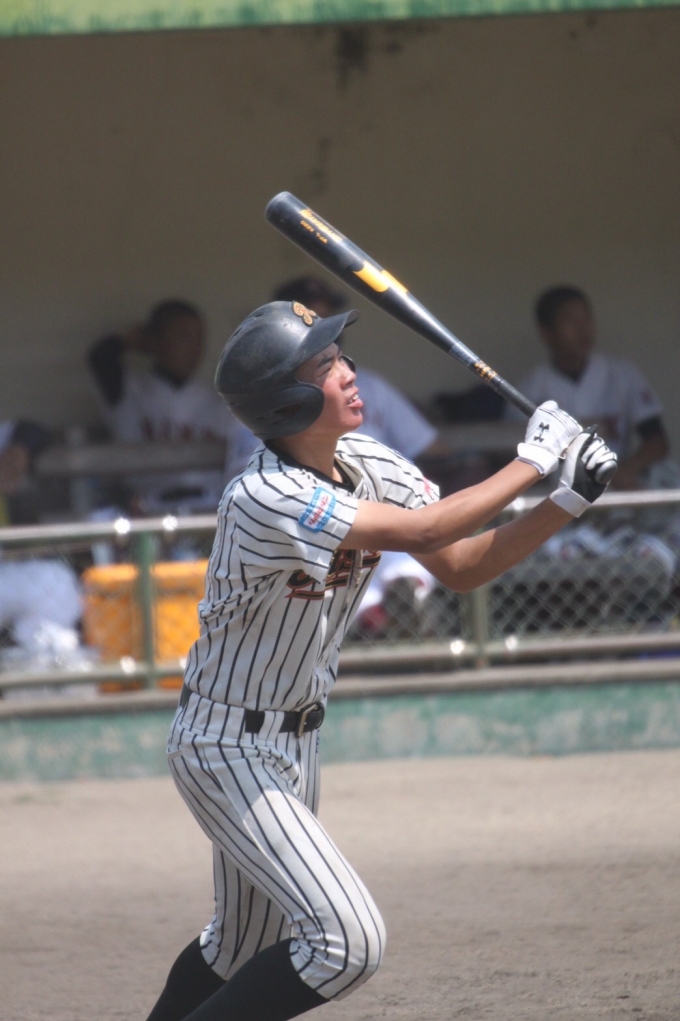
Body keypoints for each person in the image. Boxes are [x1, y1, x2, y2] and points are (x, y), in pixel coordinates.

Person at [144, 299, 616, 1021]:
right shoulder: (263, 494)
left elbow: (457, 563)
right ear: (286, 399)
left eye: (339, 356)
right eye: (323, 365)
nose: (348, 371)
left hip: (296, 743)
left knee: (239, 948)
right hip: (224, 744)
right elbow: (423, 529)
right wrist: (532, 461)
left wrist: (567, 498)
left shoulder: (365, 461)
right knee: (346, 942)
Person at [88, 300, 241, 515]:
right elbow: (100, 357)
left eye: (199, 339)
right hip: (146, 507)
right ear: (154, 342)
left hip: (208, 506)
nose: (194, 348)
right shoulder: (128, 391)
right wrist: (130, 340)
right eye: (182, 338)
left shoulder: (218, 401)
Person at [510, 286, 669, 490]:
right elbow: (511, 456)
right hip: (555, 496)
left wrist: (629, 469)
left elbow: (657, 440)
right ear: (546, 332)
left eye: (586, 318)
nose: (583, 329)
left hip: (616, 492)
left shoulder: (622, 374)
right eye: (570, 321)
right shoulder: (530, 388)